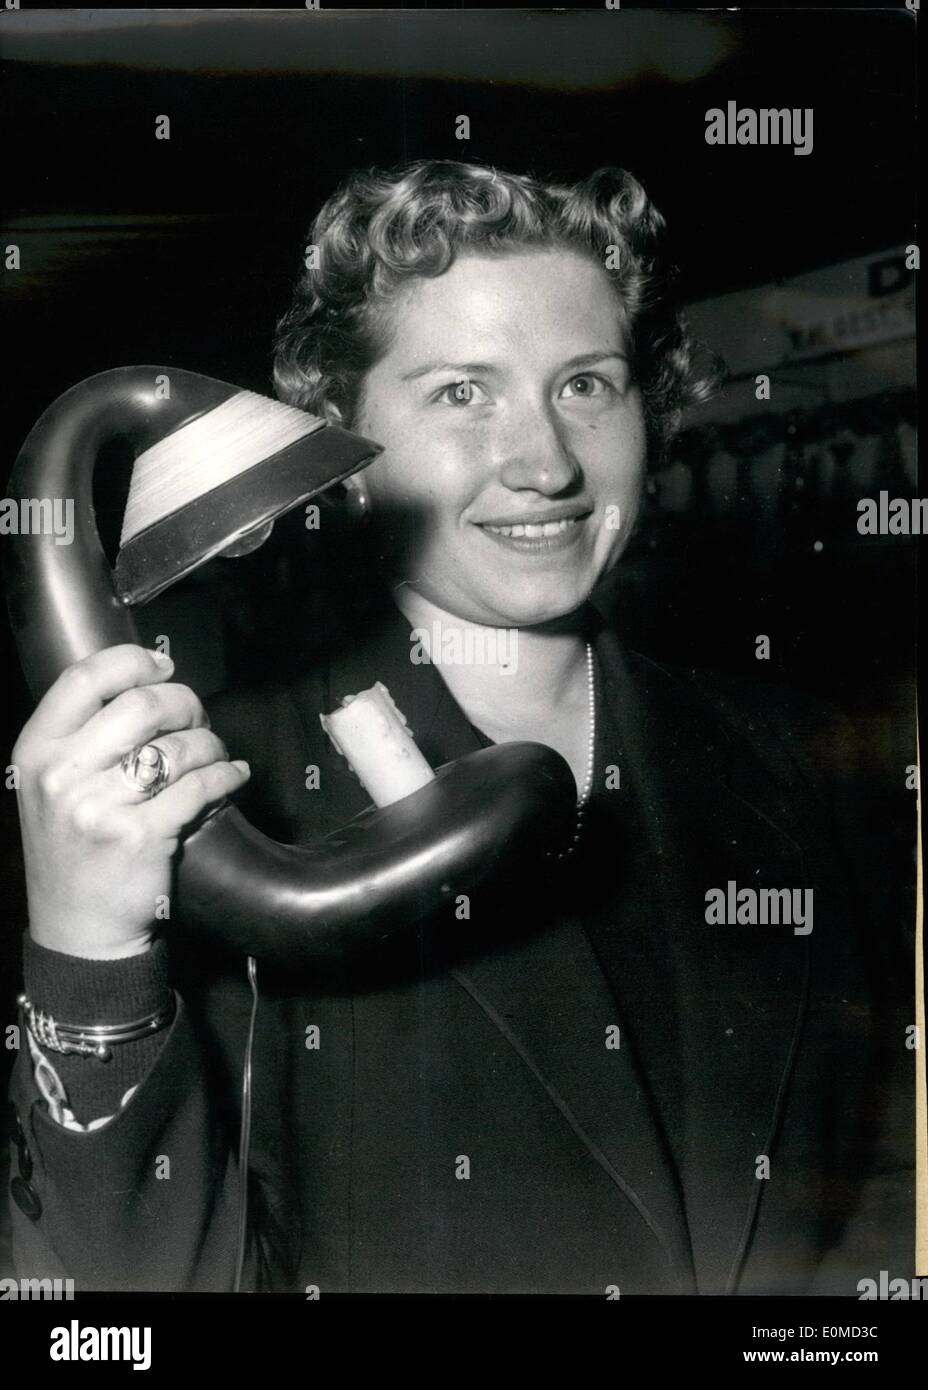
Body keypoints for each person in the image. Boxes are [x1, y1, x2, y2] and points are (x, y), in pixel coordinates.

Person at [7, 159, 913, 1295]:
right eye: (460, 393)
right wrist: (88, 959)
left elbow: (884, 1183)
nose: (545, 465)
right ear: (335, 440)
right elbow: (111, 1297)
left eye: (585, 384)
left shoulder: (802, 756)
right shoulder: (213, 804)